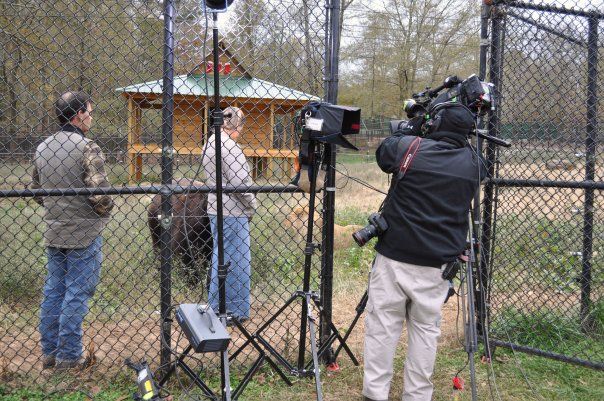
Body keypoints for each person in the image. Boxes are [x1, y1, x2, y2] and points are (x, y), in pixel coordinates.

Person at [362, 100, 487, 401]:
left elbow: (384, 151)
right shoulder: (475, 163)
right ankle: (417, 395)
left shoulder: (409, 148)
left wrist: (415, 127)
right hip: (437, 265)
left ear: (435, 125)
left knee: (382, 326)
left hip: (394, 257)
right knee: (425, 331)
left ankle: (375, 393)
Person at [31, 91, 113, 371]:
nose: (91, 116)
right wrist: (105, 210)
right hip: (84, 234)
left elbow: (38, 192)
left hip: (55, 231)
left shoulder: (43, 147)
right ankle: (69, 355)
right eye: (89, 111)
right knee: (77, 293)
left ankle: (50, 352)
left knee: (54, 290)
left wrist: (58, 204)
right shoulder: (87, 147)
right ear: (78, 114)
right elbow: (100, 196)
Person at [201, 106, 256, 320]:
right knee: (237, 260)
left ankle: (217, 306)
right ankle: (235, 310)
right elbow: (240, 183)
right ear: (235, 124)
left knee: (220, 257)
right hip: (233, 211)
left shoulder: (211, 142)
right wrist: (252, 204)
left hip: (216, 207)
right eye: (241, 124)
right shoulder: (229, 147)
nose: (241, 130)